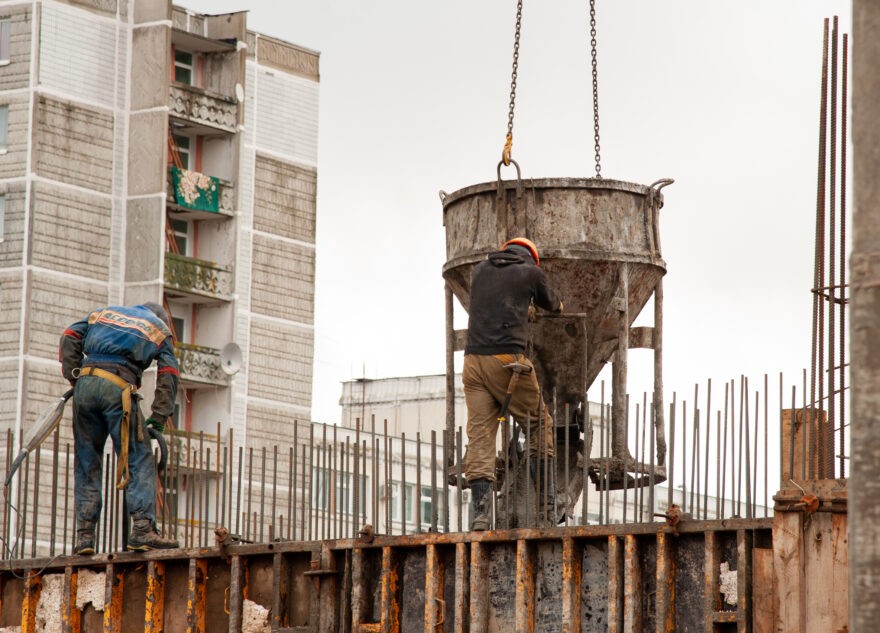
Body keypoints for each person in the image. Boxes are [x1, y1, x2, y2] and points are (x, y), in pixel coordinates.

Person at [60, 302, 181, 553]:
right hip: (118, 387)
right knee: (138, 458)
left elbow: (70, 335)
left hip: (85, 385)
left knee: (86, 461)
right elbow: (169, 372)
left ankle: (84, 536)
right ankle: (142, 529)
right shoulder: (158, 327)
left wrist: (74, 377)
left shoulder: (104, 313)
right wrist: (159, 416)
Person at [462, 237, 563, 530]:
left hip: (473, 364)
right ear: (533, 257)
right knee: (538, 425)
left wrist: (523, 310)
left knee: (480, 437)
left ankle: (480, 515)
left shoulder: (480, 271)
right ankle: (547, 505)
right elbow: (552, 304)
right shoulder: (531, 273)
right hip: (509, 363)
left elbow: (497, 306)